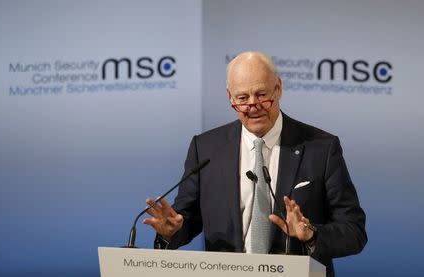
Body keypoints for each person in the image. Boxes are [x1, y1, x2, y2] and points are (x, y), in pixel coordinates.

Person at [143, 51, 367, 277]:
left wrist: (311, 234)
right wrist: (170, 231)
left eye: (261, 94)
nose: (253, 105)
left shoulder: (321, 148)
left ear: (278, 89)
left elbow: (354, 231)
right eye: (242, 98)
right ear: (230, 97)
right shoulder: (206, 148)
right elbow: (187, 219)